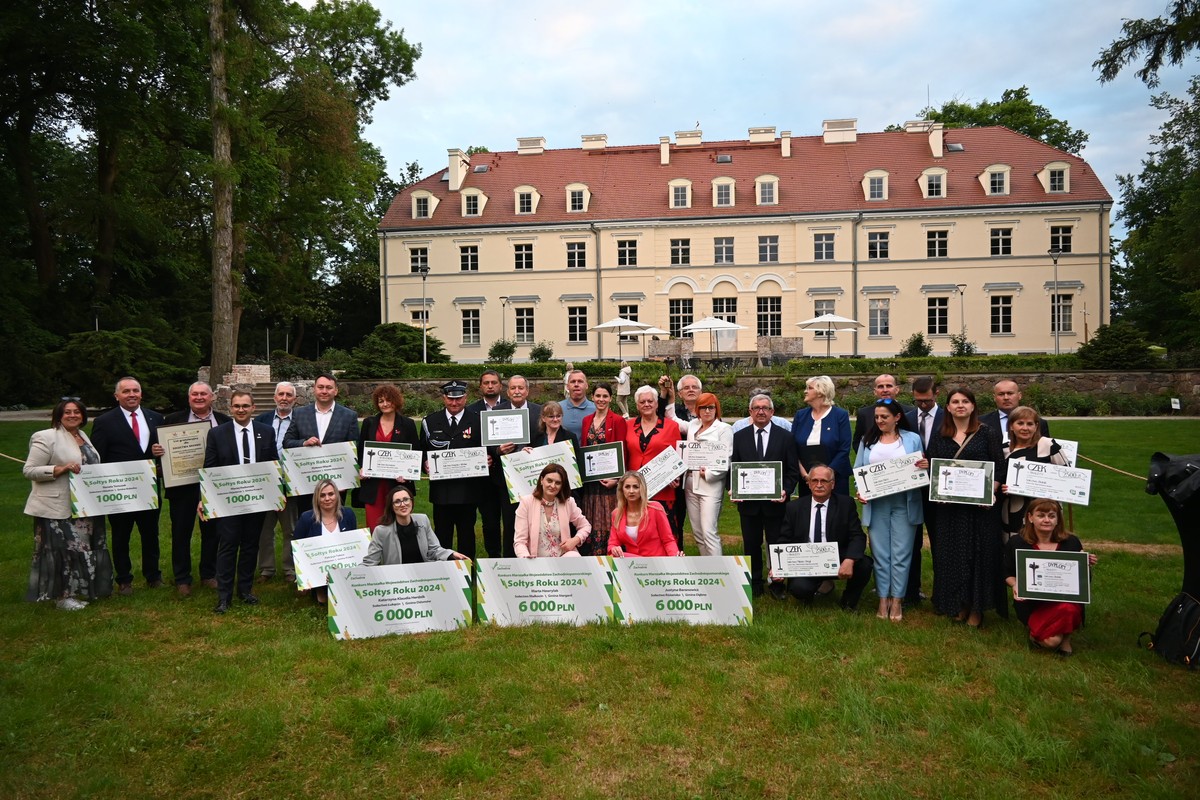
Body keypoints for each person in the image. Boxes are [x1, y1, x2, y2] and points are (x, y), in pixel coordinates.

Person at [23, 399, 113, 609]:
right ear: (58, 415)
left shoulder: (82, 436)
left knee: (85, 547)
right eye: (67, 412)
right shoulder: (46, 437)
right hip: (57, 507)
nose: (72, 415)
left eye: (77, 412)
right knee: (64, 550)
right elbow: (29, 470)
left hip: (84, 505)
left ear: (83, 415)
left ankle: (85, 590)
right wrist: (60, 469)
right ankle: (63, 597)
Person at [927, 387, 1005, 628]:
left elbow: (999, 468)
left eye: (965, 401)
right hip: (950, 510)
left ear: (973, 406)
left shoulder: (987, 433)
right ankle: (958, 603)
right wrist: (937, 489)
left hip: (979, 510)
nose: (960, 405)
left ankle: (977, 607)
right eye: (955, 402)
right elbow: (933, 467)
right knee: (953, 556)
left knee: (978, 556)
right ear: (948, 407)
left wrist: (990, 493)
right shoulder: (940, 435)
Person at [203, 391, 278, 614]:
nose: (241, 410)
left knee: (250, 546)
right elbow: (210, 467)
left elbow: (273, 464)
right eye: (237, 406)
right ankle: (224, 596)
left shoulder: (266, 432)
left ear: (253, 407)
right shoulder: (217, 434)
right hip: (228, 501)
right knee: (227, 546)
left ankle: (245, 590)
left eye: (245, 406)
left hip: (257, 500)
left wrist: (276, 495)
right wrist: (204, 499)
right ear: (231, 408)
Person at [89, 376, 165, 595]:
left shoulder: (155, 418)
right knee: (121, 535)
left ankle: (153, 576)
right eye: (126, 391)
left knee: (150, 534)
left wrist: (159, 456)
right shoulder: (104, 421)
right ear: (117, 396)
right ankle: (124, 580)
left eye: (135, 390)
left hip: (149, 488)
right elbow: (98, 458)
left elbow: (160, 451)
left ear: (141, 394)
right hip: (119, 490)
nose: (131, 394)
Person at [853, 398, 926, 621]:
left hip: (905, 503)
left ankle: (897, 600)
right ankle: (883, 598)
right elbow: (859, 471)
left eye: (884, 416)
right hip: (877, 505)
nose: (880, 420)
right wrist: (861, 491)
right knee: (881, 554)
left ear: (897, 417)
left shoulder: (912, 439)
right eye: (877, 417)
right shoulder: (868, 440)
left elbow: (920, 468)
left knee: (902, 554)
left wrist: (924, 465)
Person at [770, 464, 873, 609]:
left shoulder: (846, 504)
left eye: (824, 481)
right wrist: (778, 566)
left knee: (864, 565)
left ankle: (848, 601)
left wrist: (849, 560)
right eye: (814, 481)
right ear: (809, 484)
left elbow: (857, 536)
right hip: (807, 560)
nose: (819, 485)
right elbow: (784, 540)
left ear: (833, 484)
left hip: (838, 557)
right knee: (799, 589)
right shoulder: (794, 508)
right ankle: (812, 591)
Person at [162, 381, 229, 597]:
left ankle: (209, 574)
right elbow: (160, 450)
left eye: (203, 394)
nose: (199, 397)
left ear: (212, 397)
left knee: (212, 533)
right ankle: (182, 578)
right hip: (182, 487)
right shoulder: (172, 421)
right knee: (181, 533)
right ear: (189, 397)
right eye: (194, 394)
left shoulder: (224, 421)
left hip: (213, 486)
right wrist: (158, 449)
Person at [1005, 498, 1097, 656]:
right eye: (1041, 515)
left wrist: (1083, 565)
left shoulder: (1071, 542)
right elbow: (1006, 573)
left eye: (1052, 516)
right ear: (1030, 518)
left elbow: (1082, 582)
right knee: (1051, 642)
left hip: (1064, 601)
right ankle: (1041, 634)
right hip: (1032, 602)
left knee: (1068, 608)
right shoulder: (1017, 542)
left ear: (1058, 520)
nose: (1046, 520)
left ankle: (1066, 639)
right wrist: (1015, 584)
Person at [731, 393, 800, 595]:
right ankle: (755, 583)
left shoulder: (786, 437)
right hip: (748, 504)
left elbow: (792, 470)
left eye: (765, 408)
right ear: (750, 412)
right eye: (757, 408)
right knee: (751, 544)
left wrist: (786, 489)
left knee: (776, 544)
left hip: (775, 503)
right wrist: (733, 488)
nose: (761, 411)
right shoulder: (739, 437)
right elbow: (733, 467)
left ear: (772, 412)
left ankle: (777, 582)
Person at [420, 380, 485, 561]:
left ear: (466, 397)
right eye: (450, 399)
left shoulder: (478, 420)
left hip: (468, 490)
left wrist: (487, 459)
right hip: (442, 491)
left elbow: (486, 450)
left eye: (458, 399)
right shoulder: (430, 422)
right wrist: (424, 464)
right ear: (444, 398)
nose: (454, 403)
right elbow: (421, 452)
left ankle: (468, 568)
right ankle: (445, 571)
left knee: (466, 533)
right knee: (442, 533)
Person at [283, 373, 360, 512]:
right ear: (314, 389)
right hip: (306, 481)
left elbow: (354, 448)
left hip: (337, 484)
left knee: (335, 522)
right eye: (321, 387)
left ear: (336, 391)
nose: (324, 391)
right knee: (308, 521)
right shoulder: (299, 413)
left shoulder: (349, 416)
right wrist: (303, 443)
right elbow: (287, 442)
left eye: (329, 388)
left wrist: (347, 479)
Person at [902, 376, 943, 606]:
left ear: (936, 394)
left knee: (940, 542)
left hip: (939, 489)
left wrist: (934, 463)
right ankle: (911, 591)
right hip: (912, 489)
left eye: (926, 400)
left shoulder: (948, 417)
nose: (923, 405)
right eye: (918, 401)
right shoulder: (907, 418)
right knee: (912, 542)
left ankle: (941, 592)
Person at [357, 383, 420, 531]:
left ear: (395, 401)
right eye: (381, 401)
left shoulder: (408, 424)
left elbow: (416, 452)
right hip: (374, 485)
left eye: (388, 400)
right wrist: (362, 467)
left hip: (398, 484)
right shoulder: (369, 423)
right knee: (375, 526)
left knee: (398, 525)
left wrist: (408, 474)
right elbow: (361, 450)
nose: (384, 404)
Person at [999, 406, 1069, 539]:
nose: (1025, 428)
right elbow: (999, 477)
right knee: (1015, 544)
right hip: (1013, 507)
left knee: (1044, 543)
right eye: (1020, 423)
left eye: (1030, 424)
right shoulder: (1004, 450)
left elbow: (1067, 476)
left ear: (1036, 426)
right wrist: (1004, 487)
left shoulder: (1048, 445)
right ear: (1011, 426)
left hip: (1045, 509)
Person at [491, 374, 542, 556]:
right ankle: (511, 562)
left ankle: (535, 559)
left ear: (527, 391)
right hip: (507, 481)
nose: (517, 391)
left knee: (535, 522)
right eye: (513, 388)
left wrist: (534, 452)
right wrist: (498, 450)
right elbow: (487, 446)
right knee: (511, 523)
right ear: (508, 391)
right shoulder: (497, 413)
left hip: (533, 479)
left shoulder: (539, 412)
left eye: (521, 388)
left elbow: (546, 441)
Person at [257, 381, 300, 583]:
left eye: (288, 395)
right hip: (265, 482)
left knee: (290, 528)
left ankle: (290, 568)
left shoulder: (301, 420)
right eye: (281, 394)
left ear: (294, 399)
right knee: (265, 529)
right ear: (275, 397)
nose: (284, 398)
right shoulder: (261, 420)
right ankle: (266, 569)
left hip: (290, 482)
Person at [363, 484, 469, 566]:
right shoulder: (381, 531)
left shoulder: (423, 520)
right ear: (391, 506)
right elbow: (371, 561)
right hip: (398, 580)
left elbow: (434, 549)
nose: (403, 504)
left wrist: (451, 554)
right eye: (397, 501)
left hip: (424, 575)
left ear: (412, 502)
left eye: (406, 499)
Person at [624, 386, 682, 534]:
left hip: (662, 489)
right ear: (637, 405)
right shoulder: (628, 425)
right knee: (637, 532)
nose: (646, 404)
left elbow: (678, 458)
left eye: (650, 401)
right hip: (634, 489)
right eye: (642, 401)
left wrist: (676, 476)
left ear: (657, 404)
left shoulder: (671, 426)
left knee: (664, 532)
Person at [292, 479, 359, 603]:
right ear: (317, 498)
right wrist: (302, 576)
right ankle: (320, 589)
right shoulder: (306, 518)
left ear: (337, 495)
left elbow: (355, 547)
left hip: (343, 566)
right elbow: (296, 551)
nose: (327, 498)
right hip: (318, 569)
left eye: (331, 494)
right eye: (322, 495)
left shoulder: (348, 514)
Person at [579, 383, 627, 557]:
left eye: (605, 396)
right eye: (598, 396)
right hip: (591, 483)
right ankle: (592, 559)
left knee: (608, 521)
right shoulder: (586, 421)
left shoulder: (618, 420)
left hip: (610, 484)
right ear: (592, 397)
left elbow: (623, 451)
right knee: (590, 519)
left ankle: (610, 557)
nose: (601, 399)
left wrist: (617, 479)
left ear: (611, 398)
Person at [470, 370, 514, 558]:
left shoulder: (510, 407)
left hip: (507, 474)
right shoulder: (471, 410)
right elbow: (470, 441)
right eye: (486, 382)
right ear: (480, 386)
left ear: (500, 386)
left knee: (511, 520)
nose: (490, 386)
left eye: (493, 382)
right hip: (483, 476)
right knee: (489, 521)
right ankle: (493, 557)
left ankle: (511, 557)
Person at [685, 392, 733, 556]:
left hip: (710, 485)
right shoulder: (693, 425)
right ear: (697, 409)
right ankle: (708, 571)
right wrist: (669, 398)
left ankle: (719, 573)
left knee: (709, 532)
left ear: (716, 409)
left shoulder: (723, 429)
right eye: (703, 407)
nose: (707, 411)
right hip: (691, 482)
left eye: (711, 407)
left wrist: (711, 473)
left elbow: (726, 459)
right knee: (698, 533)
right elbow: (674, 421)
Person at [791, 375, 852, 497]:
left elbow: (844, 449)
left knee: (836, 514)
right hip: (807, 481)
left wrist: (827, 474)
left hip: (835, 480)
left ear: (820, 392)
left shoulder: (840, 415)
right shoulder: (800, 416)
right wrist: (805, 475)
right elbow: (792, 448)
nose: (805, 391)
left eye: (809, 388)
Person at [514, 464, 592, 558]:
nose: (553, 486)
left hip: (563, 557)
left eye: (558, 483)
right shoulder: (526, 502)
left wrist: (575, 540)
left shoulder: (568, 502)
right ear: (542, 480)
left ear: (562, 485)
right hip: (535, 560)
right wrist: (525, 557)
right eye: (549, 481)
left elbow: (585, 526)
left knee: (574, 557)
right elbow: (520, 541)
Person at [608, 471, 681, 557]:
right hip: (633, 564)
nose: (631, 491)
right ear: (622, 490)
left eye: (636, 487)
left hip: (657, 561)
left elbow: (668, 540)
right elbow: (613, 543)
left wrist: (675, 559)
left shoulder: (656, 508)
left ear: (642, 489)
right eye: (627, 487)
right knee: (612, 557)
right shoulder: (616, 514)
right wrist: (614, 548)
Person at [981, 379, 1049, 446]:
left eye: (1010, 393)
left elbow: (1046, 450)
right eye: (1001, 394)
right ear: (994, 397)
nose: (1006, 397)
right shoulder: (981, 422)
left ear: (1019, 395)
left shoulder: (1039, 423)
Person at [852, 373, 908, 452]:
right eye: (880, 386)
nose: (885, 390)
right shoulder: (864, 413)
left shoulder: (909, 412)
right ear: (875, 391)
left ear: (897, 389)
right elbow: (857, 442)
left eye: (889, 386)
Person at [526, 400, 582, 465]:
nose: (555, 419)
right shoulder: (535, 436)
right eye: (551, 416)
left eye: (558, 416)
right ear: (543, 418)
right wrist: (525, 453)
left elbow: (578, 463)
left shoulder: (570, 437)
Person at [561, 369, 596, 440]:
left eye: (580, 381)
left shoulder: (596, 409)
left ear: (586, 385)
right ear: (567, 386)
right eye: (573, 382)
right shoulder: (557, 409)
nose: (576, 384)